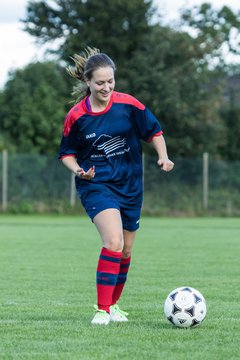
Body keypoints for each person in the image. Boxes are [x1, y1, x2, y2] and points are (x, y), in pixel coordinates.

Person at [59, 47, 174, 325]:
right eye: (100, 82)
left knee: (125, 251)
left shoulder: (128, 105)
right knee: (113, 242)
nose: (106, 87)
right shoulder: (77, 116)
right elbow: (66, 153)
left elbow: (154, 131)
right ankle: (102, 309)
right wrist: (79, 171)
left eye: (110, 81)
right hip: (96, 185)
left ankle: (114, 305)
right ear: (88, 82)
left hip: (131, 185)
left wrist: (163, 156)